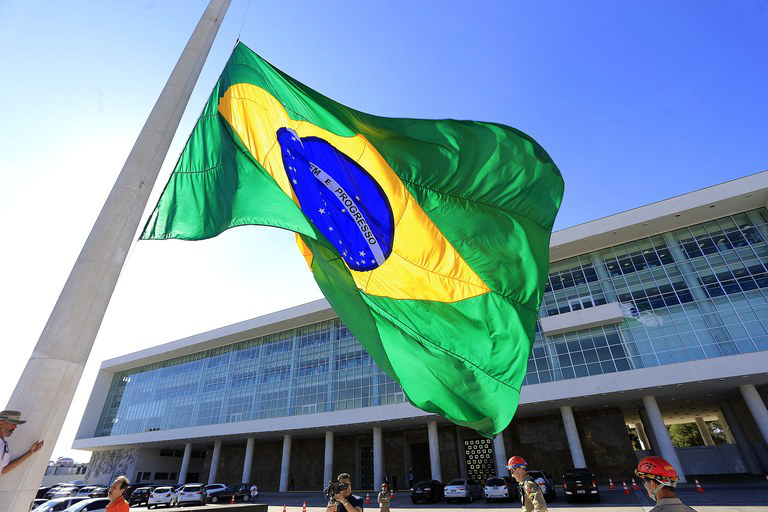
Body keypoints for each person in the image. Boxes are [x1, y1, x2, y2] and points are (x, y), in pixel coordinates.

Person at [0, 410, 44, 475]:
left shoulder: (3, 444)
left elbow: (4, 469)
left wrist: (31, 451)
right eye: (13, 424)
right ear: (1, 423)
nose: (15, 427)